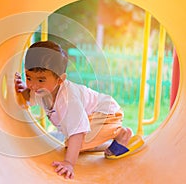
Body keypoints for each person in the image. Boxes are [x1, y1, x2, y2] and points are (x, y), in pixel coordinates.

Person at [14, 40, 133, 179]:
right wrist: (23, 88)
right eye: (29, 77)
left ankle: (121, 133)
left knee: (76, 141)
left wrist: (69, 163)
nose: (33, 85)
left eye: (40, 80)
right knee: (73, 145)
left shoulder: (68, 100)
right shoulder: (42, 90)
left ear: (60, 80)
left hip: (107, 113)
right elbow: (30, 97)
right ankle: (104, 141)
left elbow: (77, 132)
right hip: (93, 117)